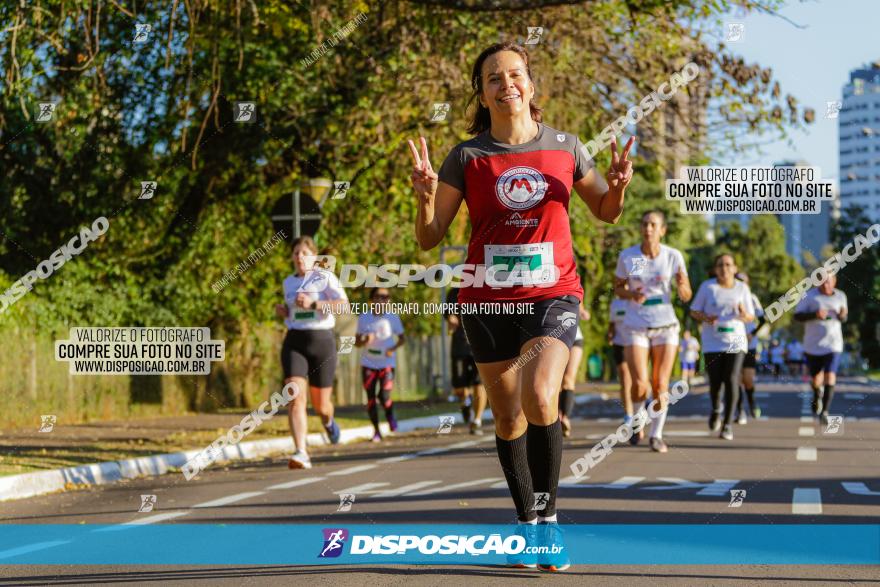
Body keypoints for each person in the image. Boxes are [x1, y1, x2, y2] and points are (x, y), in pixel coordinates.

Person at [407, 42, 632, 572]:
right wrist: (423, 196)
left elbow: (605, 212)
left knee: (539, 394)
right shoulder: (467, 157)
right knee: (507, 417)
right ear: (482, 95)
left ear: (531, 86)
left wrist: (618, 187)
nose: (505, 83)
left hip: (553, 295)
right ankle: (524, 522)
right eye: (492, 78)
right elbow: (429, 237)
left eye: (514, 74)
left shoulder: (568, 148)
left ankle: (548, 522)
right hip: (486, 302)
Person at [614, 210, 692, 453]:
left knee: (660, 383)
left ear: (662, 230)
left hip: (666, 326)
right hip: (636, 324)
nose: (648, 228)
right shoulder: (628, 256)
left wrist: (681, 287)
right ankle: (638, 422)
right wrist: (631, 294)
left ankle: (656, 435)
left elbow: (686, 294)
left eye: (653, 224)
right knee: (639, 383)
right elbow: (617, 288)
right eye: (645, 224)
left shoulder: (673, 256)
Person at [276, 237, 349, 469]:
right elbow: (293, 312)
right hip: (295, 341)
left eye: (304, 253)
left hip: (322, 342)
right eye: (296, 253)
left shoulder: (325, 278)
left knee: (321, 406)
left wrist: (314, 305)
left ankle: (329, 423)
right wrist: (285, 311)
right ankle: (301, 452)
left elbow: (343, 306)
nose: (299, 257)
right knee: (295, 398)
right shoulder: (288, 282)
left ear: (314, 257)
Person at [690, 254, 755, 441]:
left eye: (728, 265)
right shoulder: (707, 287)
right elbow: (694, 311)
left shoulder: (742, 288)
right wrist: (706, 318)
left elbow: (751, 316)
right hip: (713, 341)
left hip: (736, 339)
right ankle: (716, 409)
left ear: (734, 268)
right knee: (715, 382)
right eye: (720, 265)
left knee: (732, 378)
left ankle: (727, 424)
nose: (724, 268)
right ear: (715, 269)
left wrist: (744, 314)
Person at [794, 274, 848, 424]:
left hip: (833, 344)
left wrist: (843, 315)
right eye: (822, 282)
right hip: (813, 345)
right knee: (816, 379)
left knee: (830, 376)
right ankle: (817, 393)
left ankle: (825, 411)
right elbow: (797, 316)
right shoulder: (809, 296)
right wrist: (815, 314)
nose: (825, 285)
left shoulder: (841, 296)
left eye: (828, 281)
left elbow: (843, 317)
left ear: (834, 281)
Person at [356, 287, 406, 442]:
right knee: (371, 397)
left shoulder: (392, 317)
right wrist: (364, 340)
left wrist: (392, 349)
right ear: (372, 300)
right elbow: (357, 342)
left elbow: (402, 339)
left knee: (384, 396)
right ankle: (376, 431)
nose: (383, 300)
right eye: (379, 296)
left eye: (386, 297)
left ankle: (390, 415)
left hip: (387, 363)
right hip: (368, 363)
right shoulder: (364, 317)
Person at [445, 286, 488, 435]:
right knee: (459, 388)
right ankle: (466, 402)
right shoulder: (454, 292)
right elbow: (448, 312)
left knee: (479, 383)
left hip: (480, 344)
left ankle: (477, 420)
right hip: (459, 346)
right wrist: (451, 317)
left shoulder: (486, 289)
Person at [734, 272, 765, 424]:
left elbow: (763, 318)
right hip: (733, 342)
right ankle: (739, 410)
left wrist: (752, 333)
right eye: (737, 280)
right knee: (736, 379)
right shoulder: (728, 295)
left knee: (748, 379)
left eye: (742, 281)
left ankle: (752, 402)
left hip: (750, 344)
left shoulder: (752, 298)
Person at [559, 302, 591, 437]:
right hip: (550, 337)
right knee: (555, 381)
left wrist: (583, 312)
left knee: (568, 378)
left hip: (574, 337)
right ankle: (556, 415)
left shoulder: (573, 282)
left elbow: (580, 305)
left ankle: (565, 417)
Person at [607, 295, 633, 426]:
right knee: (625, 380)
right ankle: (628, 414)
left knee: (639, 380)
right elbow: (611, 323)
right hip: (619, 344)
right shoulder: (615, 303)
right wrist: (610, 334)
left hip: (636, 343)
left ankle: (643, 402)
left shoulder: (636, 299)